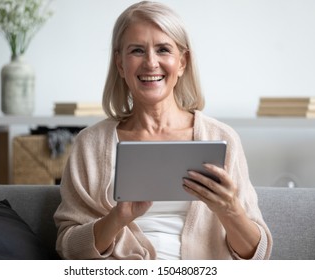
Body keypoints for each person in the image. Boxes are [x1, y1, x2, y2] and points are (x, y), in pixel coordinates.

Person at [54, 1, 272, 260]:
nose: (151, 62)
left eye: (163, 49)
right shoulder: (90, 145)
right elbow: (68, 249)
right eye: (137, 50)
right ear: (121, 64)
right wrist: (118, 217)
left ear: (182, 62)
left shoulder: (221, 138)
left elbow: (258, 256)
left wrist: (230, 210)